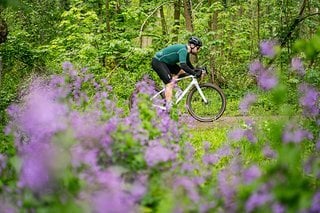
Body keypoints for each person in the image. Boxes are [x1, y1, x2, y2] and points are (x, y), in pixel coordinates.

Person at [151, 36, 203, 110]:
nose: (198, 50)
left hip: (167, 63)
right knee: (169, 83)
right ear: (192, 46)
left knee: (182, 72)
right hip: (158, 62)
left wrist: (196, 70)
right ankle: (168, 107)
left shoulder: (186, 52)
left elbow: (188, 64)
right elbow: (183, 65)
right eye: (197, 48)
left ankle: (177, 90)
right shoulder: (183, 50)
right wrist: (194, 73)